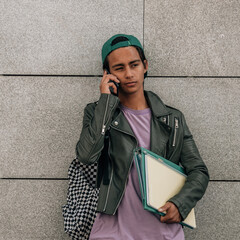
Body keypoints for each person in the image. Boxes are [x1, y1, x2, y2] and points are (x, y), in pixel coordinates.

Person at [75, 34, 209, 239]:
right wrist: (105, 102)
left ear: (144, 65)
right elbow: (86, 156)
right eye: (119, 68)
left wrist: (180, 204)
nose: (129, 74)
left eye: (134, 64)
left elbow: (198, 171)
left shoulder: (172, 119)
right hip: (111, 232)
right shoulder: (97, 112)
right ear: (107, 73)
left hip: (163, 231)